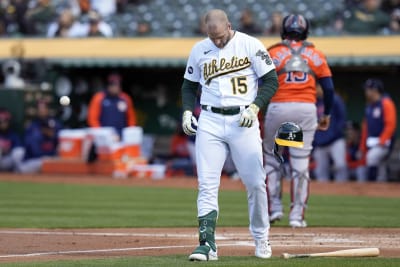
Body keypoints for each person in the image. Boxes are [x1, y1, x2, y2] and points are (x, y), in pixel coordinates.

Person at [180, 9, 278, 261]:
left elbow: (271, 81)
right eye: (212, 37)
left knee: (256, 182)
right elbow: (189, 85)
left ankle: (261, 237)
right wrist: (188, 112)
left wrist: (255, 106)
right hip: (210, 120)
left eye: (221, 36)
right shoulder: (200, 48)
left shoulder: (250, 44)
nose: (217, 41)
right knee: (207, 184)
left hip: (242, 119)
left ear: (229, 26)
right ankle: (207, 244)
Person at [263, 14, 335, 228]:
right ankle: (296, 216)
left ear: (283, 31)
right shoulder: (315, 53)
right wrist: (327, 115)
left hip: (278, 107)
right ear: (306, 32)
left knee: (272, 159)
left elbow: (259, 84)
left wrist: (258, 113)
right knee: (300, 163)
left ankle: (274, 208)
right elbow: (329, 89)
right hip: (305, 109)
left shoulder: (273, 51)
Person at [359, 78, 397, 182]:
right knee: (381, 170)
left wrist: (382, 141)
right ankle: (380, 191)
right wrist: (362, 146)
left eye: (368, 90)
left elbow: (391, 125)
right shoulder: (369, 106)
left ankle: (371, 184)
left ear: (375, 90)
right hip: (371, 142)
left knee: (372, 157)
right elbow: (365, 128)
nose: (366, 92)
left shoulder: (386, 103)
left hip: (384, 142)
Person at [312, 84, 348, 182]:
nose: (316, 90)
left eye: (317, 87)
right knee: (320, 171)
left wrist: (334, 133)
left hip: (335, 140)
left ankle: (343, 189)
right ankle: (325, 193)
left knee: (340, 165)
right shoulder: (314, 102)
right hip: (320, 142)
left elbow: (342, 118)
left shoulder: (334, 99)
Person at [87, 73, 137, 138]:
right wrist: (100, 133)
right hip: (104, 134)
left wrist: (130, 132)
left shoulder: (125, 98)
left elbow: (131, 117)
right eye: (112, 85)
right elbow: (92, 118)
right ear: (108, 86)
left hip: (122, 134)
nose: (115, 87)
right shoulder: (99, 98)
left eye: (117, 85)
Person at [19, 101, 62, 173]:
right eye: (40, 109)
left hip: (52, 158)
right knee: (43, 163)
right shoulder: (32, 127)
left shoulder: (55, 125)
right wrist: (49, 155)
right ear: (37, 111)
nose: (42, 111)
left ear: (47, 110)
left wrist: (53, 136)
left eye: (44, 109)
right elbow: (34, 150)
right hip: (35, 160)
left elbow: (60, 142)